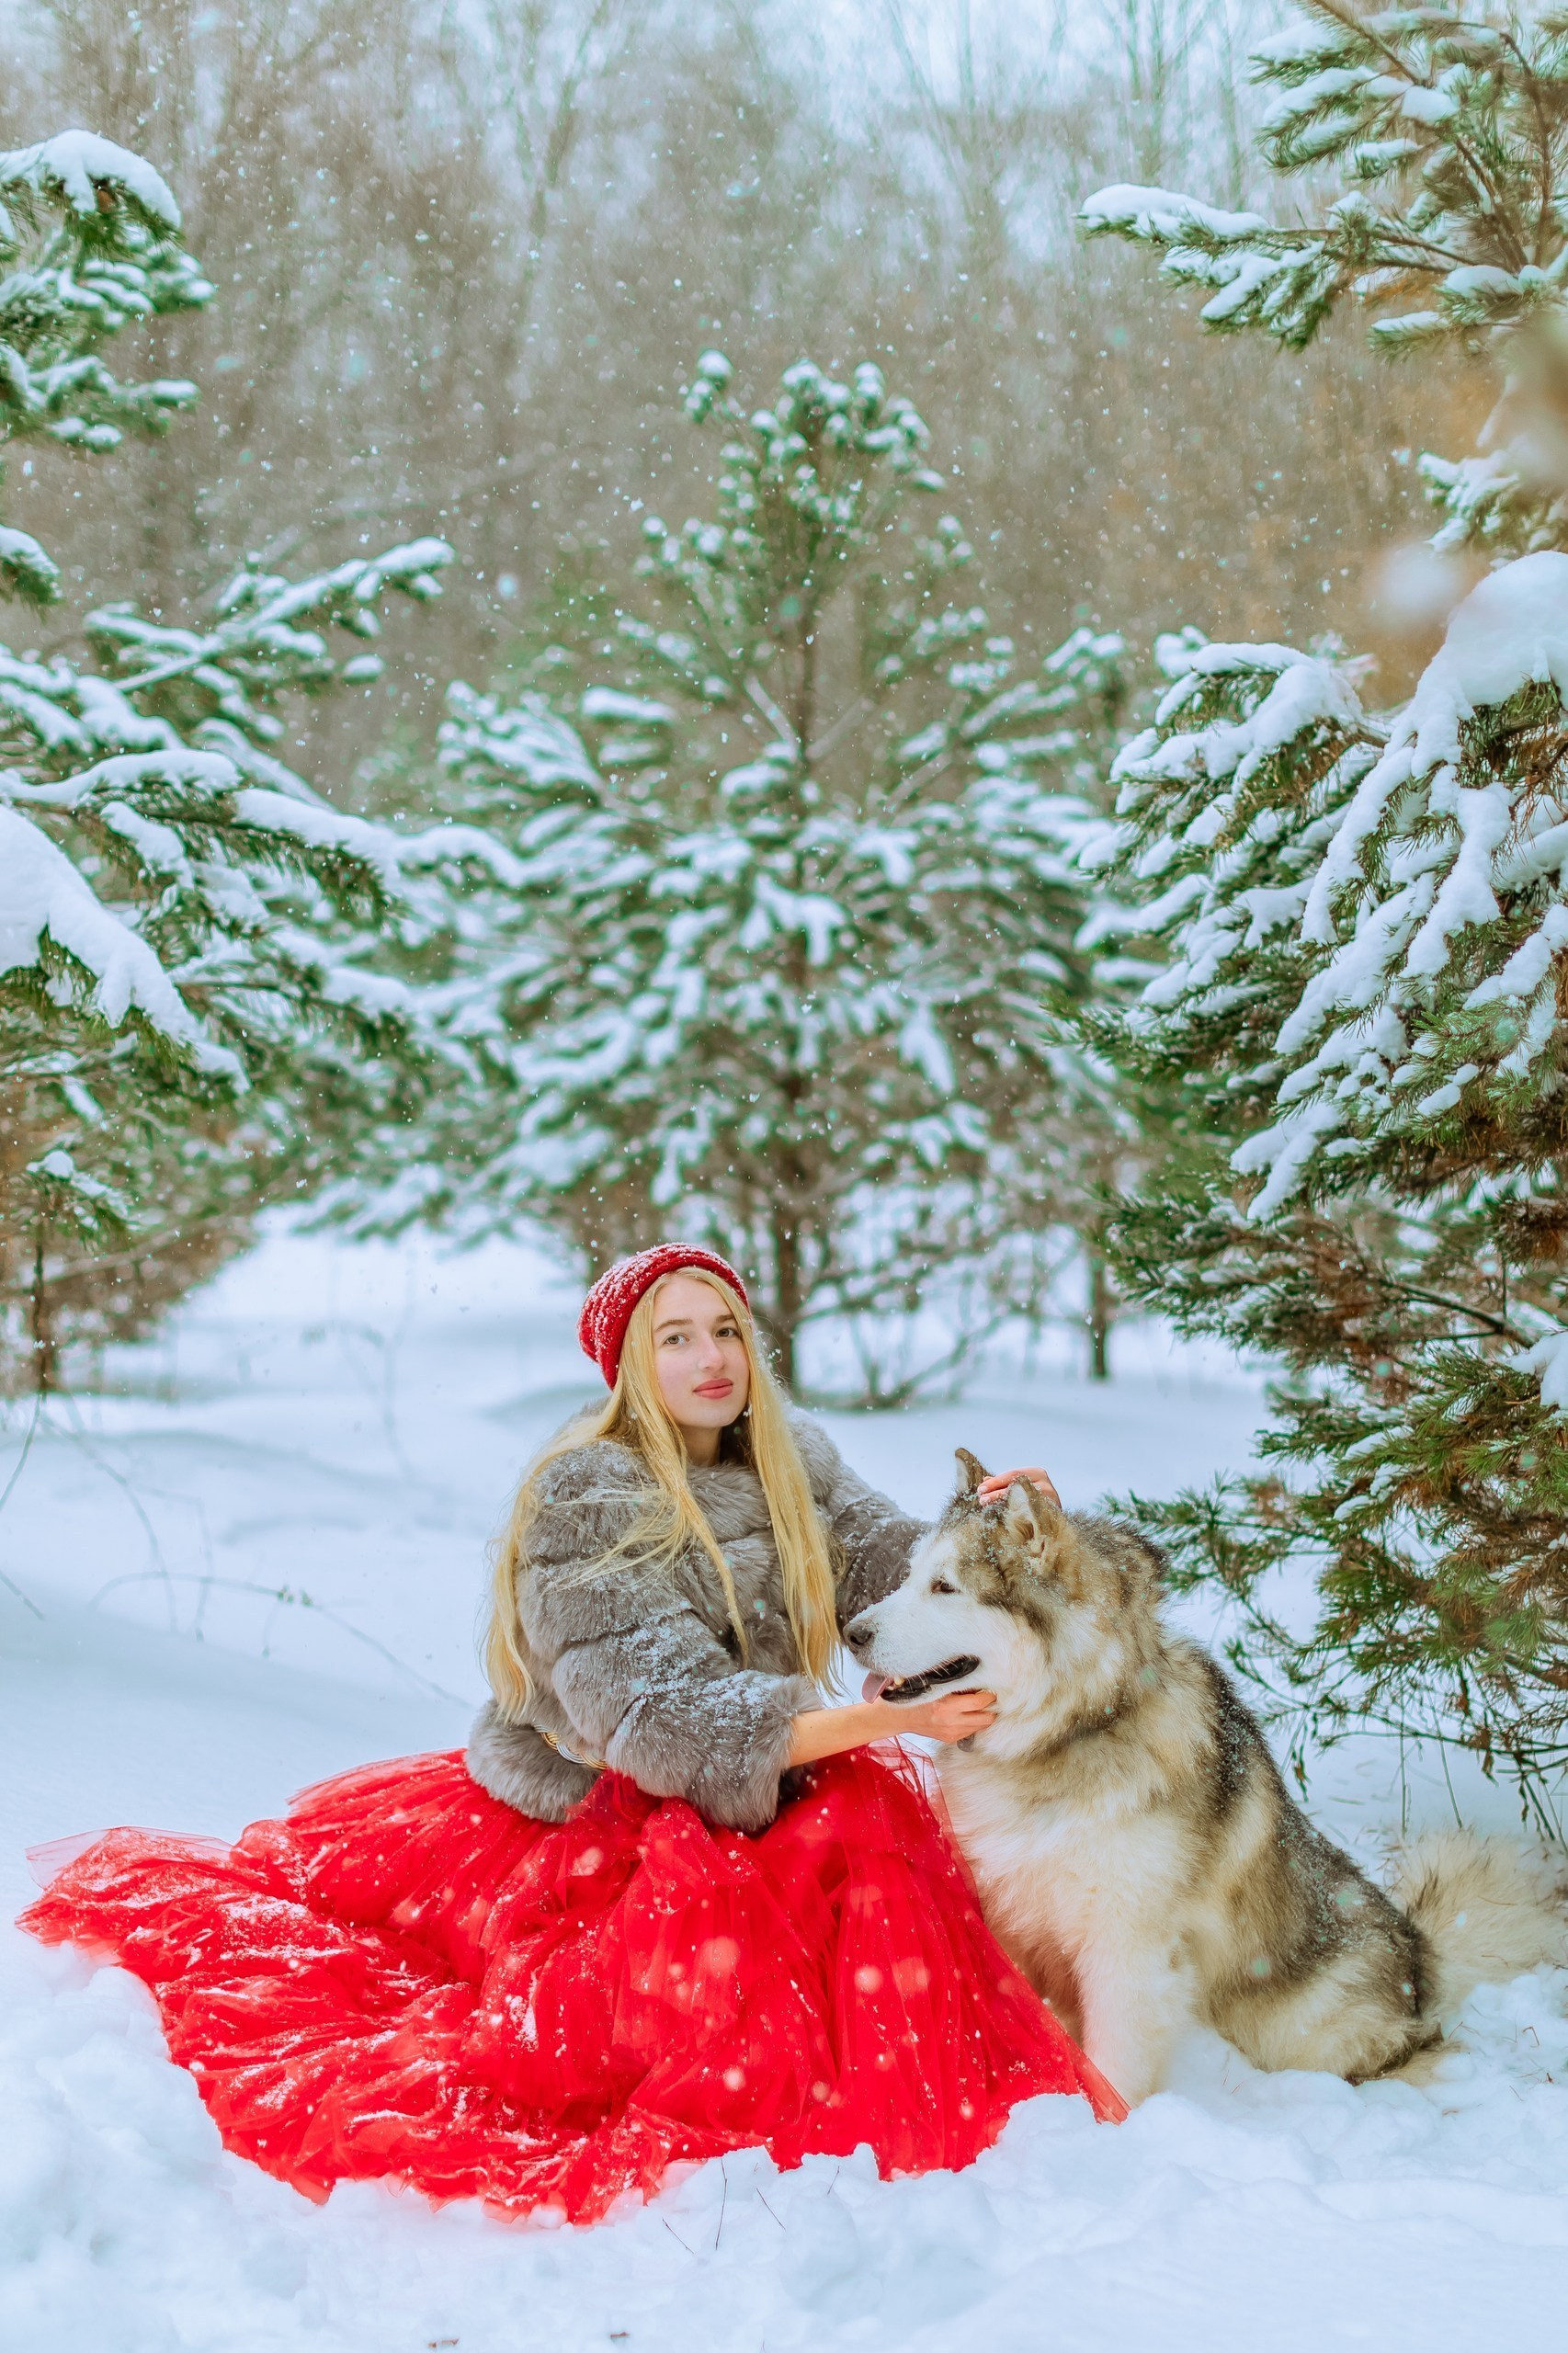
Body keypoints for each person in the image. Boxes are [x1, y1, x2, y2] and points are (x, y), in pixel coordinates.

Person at [21, 1244, 1121, 2224]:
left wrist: (991, 1538)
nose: (711, 1360)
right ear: (630, 1365)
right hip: (612, 1811)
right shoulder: (587, 1495)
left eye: (726, 1331)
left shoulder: (788, 1457)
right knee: (637, 2034)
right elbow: (661, 1722)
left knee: (878, 1890)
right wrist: (884, 1717)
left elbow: (886, 1564)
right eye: (676, 1338)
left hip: (778, 1767)